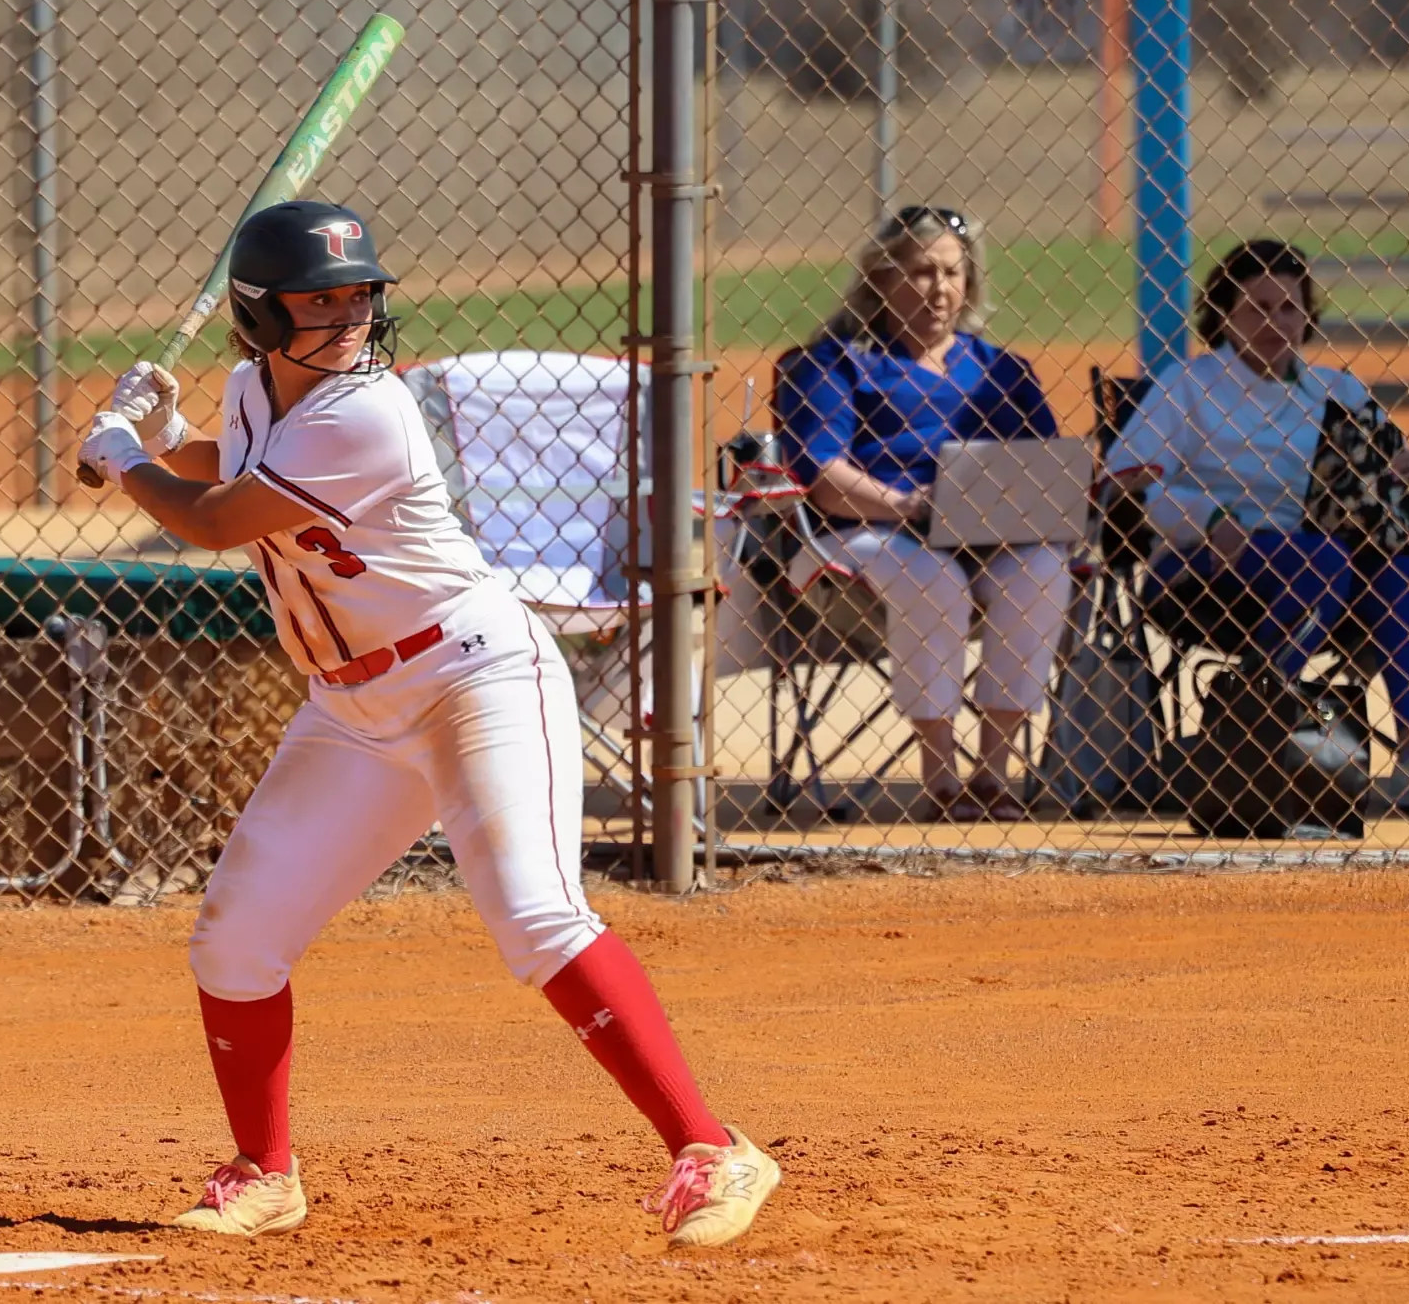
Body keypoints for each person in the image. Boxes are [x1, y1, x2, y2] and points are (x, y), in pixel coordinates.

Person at [77, 200, 779, 1245]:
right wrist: (169, 438)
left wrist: (119, 453)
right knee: (235, 943)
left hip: (470, 678)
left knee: (535, 918)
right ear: (258, 317)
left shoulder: (366, 412)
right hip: (351, 708)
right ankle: (265, 1172)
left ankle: (713, 1148)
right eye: (320, 302)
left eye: (359, 296)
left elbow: (217, 522)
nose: (349, 318)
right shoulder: (255, 389)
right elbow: (233, 467)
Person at [1101, 239, 1409, 814]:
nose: (1276, 322)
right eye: (1258, 307)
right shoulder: (1189, 384)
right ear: (1224, 314)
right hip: (1212, 561)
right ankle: (1269, 712)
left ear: (1308, 314)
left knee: (1397, 566)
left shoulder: (1337, 390)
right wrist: (1208, 517)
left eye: (1289, 308)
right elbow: (1124, 479)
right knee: (1326, 556)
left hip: (1329, 566)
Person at [775, 205, 1072, 822]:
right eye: (920, 271)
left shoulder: (1002, 369)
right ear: (881, 279)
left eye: (952, 273)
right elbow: (822, 477)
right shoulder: (836, 362)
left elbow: (1044, 467)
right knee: (933, 577)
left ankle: (994, 773)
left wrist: (1008, 508)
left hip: (982, 539)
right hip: (862, 536)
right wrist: (908, 505)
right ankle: (940, 775)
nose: (939, 289)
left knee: (1042, 569)